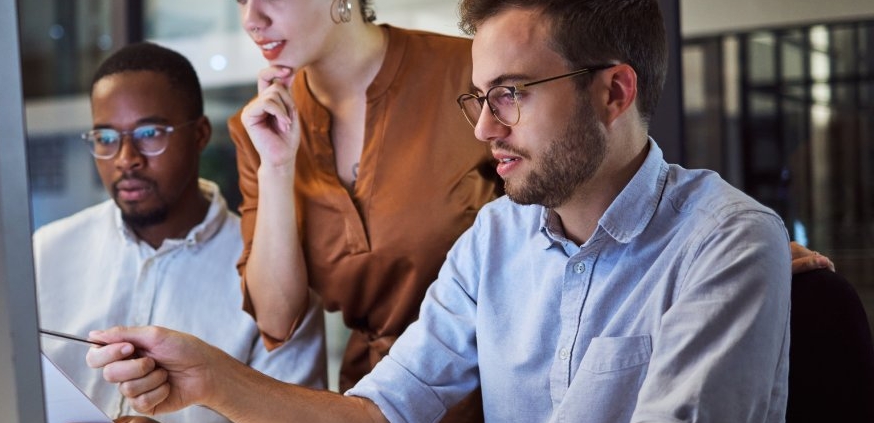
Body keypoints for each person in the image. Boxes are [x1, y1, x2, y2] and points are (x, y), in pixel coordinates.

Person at [85, 1, 794, 422]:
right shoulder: (496, 237)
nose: (484, 130)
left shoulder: (723, 245)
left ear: (614, 93)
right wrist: (210, 380)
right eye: (480, 97)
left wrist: (745, 245)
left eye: (511, 93)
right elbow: (380, 410)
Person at [33, 42, 326, 423]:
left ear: (200, 134)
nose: (126, 158)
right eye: (106, 138)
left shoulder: (273, 278)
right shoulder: (45, 253)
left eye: (150, 133)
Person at [231, 0, 498, 409]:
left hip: (499, 390)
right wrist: (277, 167)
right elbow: (277, 319)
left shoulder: (471, 74)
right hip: (371, 399)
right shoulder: (260, 125)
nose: (252, 19)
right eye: (240, 0)